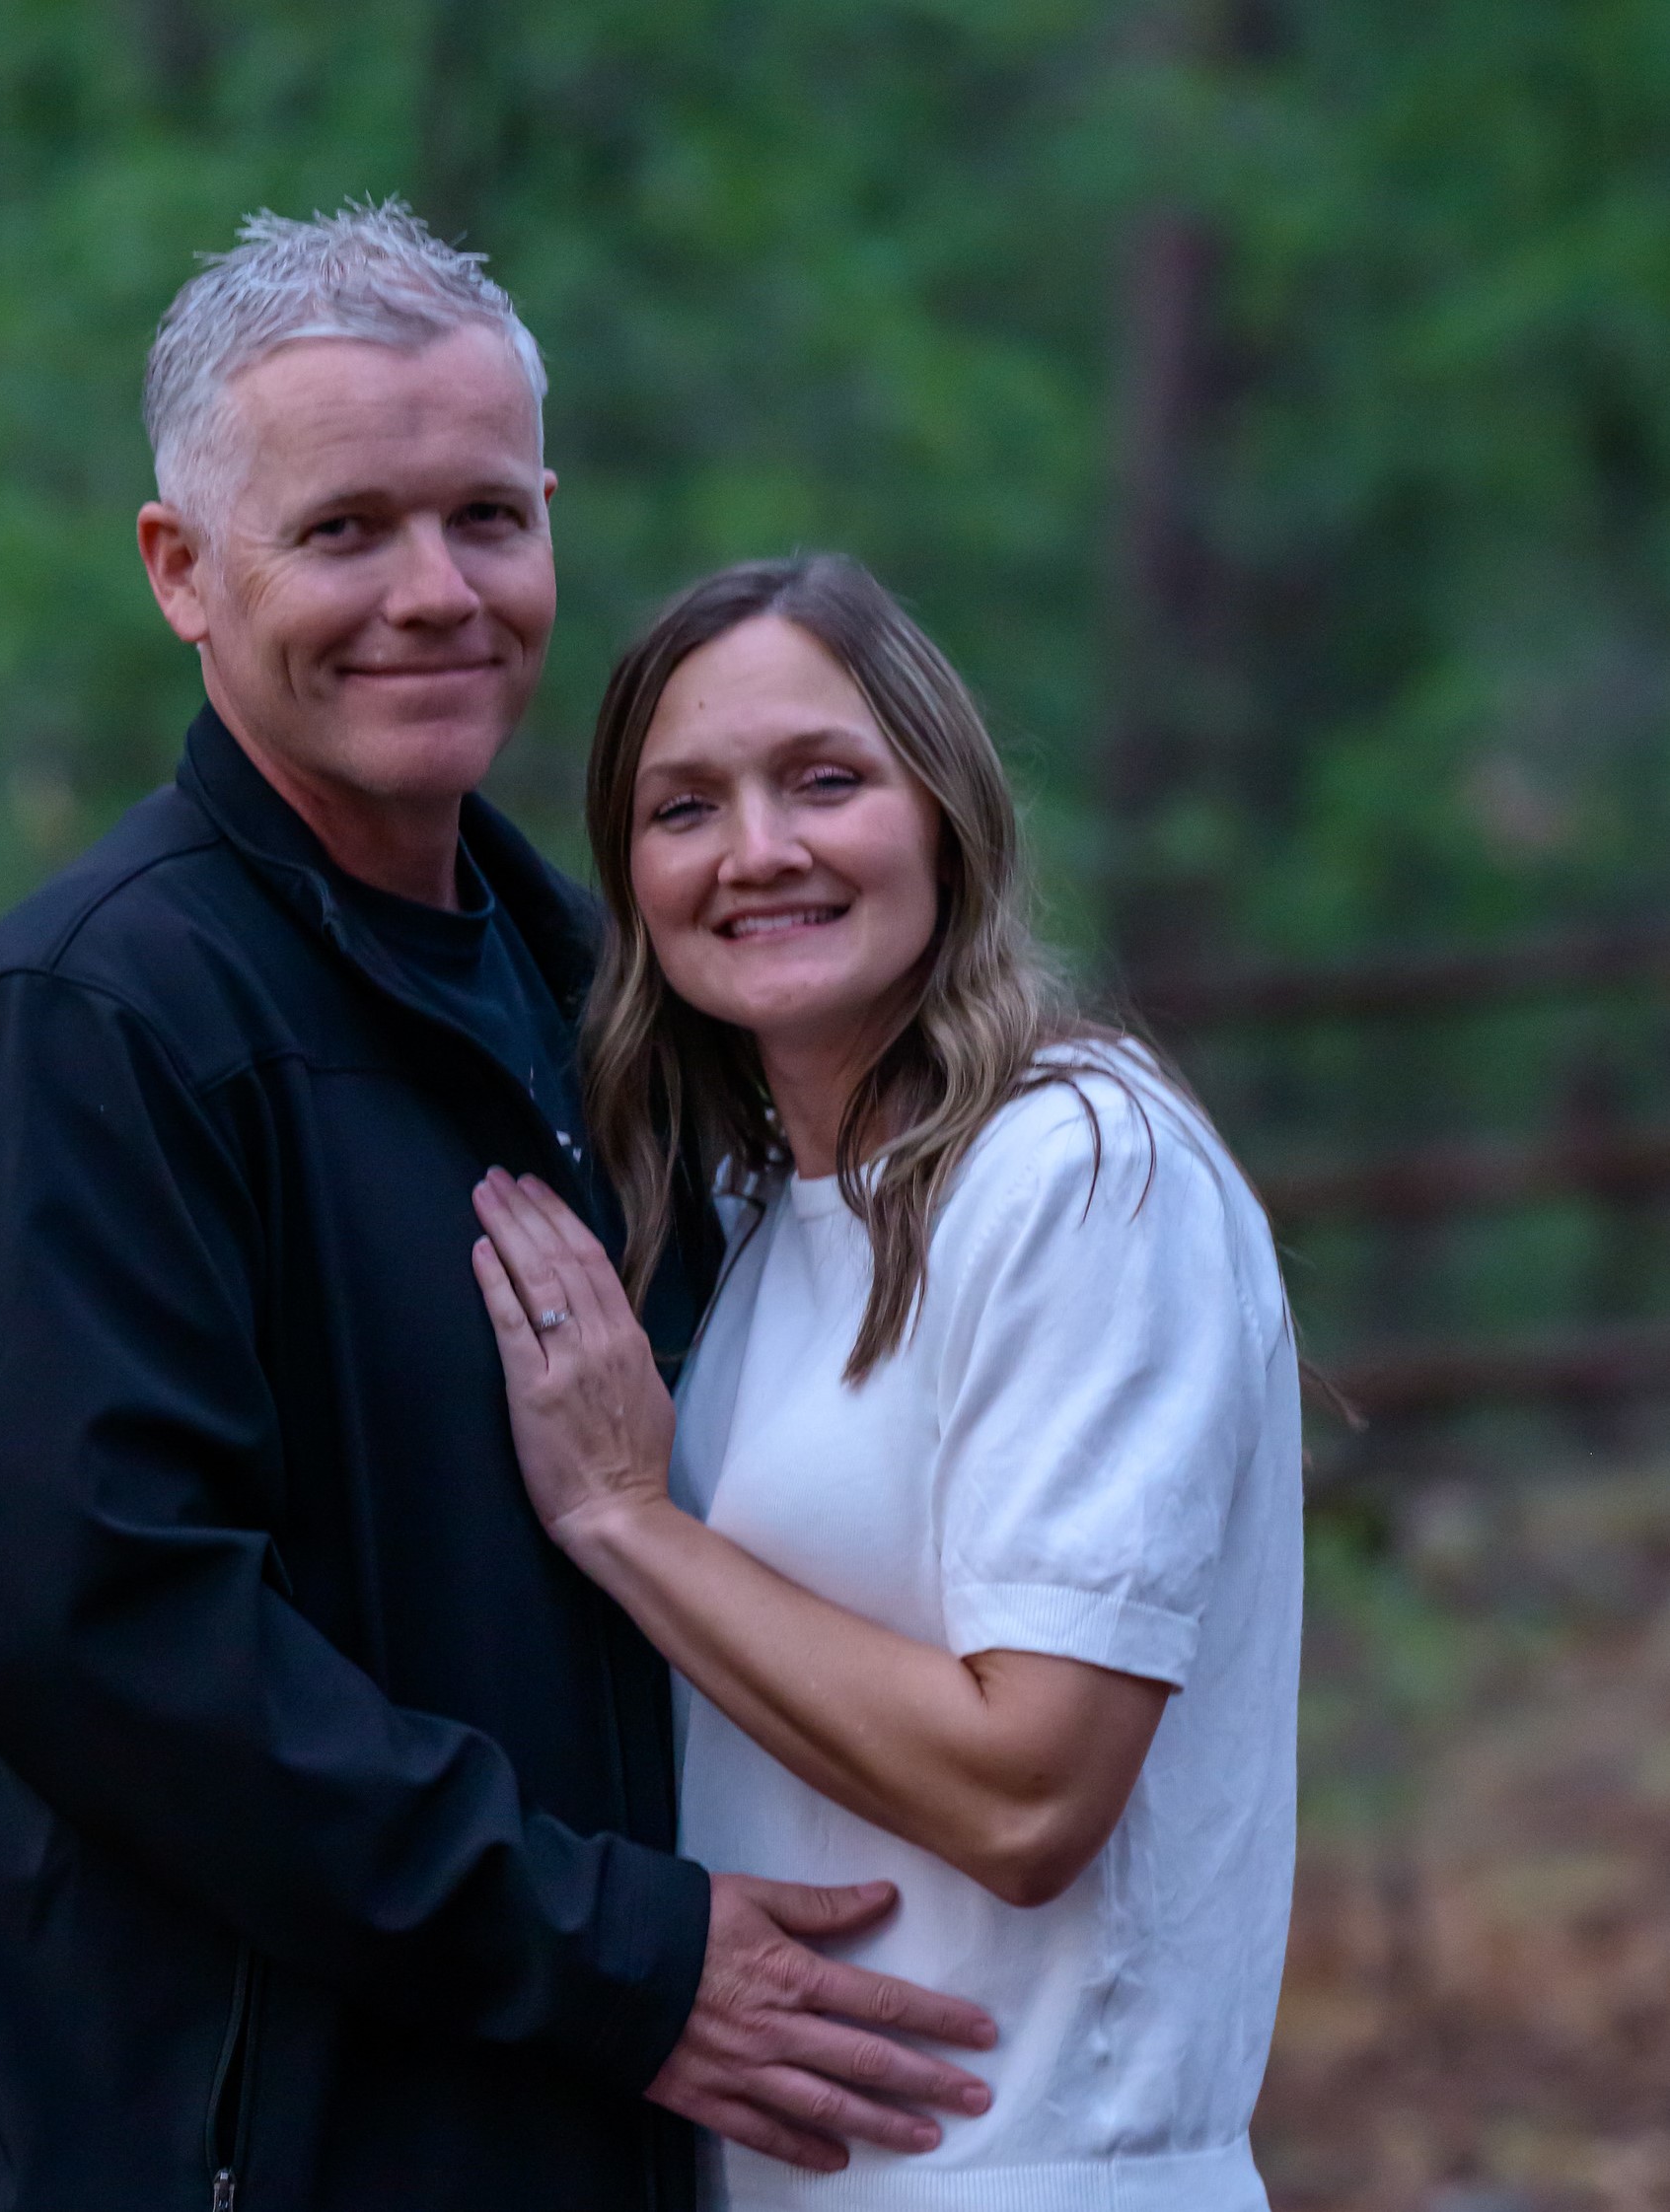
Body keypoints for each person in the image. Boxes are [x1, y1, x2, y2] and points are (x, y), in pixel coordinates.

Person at [0, 212, 996, 2212]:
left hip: (556, 2127)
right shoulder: (85, 1031)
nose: (434, 595)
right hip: (207, 2151)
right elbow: (105, 1639)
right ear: (179, 571)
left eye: (483, 516)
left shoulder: (596, 1004)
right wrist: (621, 1956)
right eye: (345, 530)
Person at [471, 555, 1303, 2210]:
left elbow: (1034, 1791)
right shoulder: (756, 1217)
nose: (758, 850)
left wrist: (631, 1517)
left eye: (825, 782)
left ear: (946, 813)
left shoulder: (1079, 1168)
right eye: (684, 806)